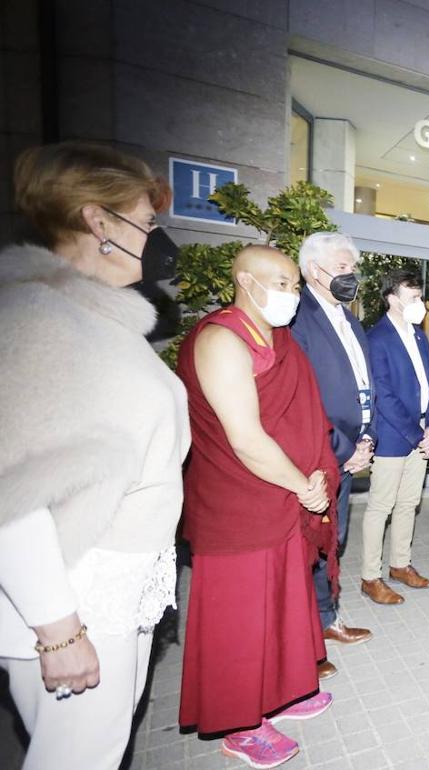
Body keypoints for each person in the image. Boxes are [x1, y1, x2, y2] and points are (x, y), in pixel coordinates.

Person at [0, 142, 189, 769]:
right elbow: (10, 491)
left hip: (117, 589)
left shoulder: (100, 318)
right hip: (78, 596)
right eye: (148, 220)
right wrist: (59, 630)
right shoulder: (36, 314)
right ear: (98, 221)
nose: (157, 238)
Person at [178, 246, 338, 765]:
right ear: (246, 281)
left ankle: (283, 693)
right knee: (240, 621)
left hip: (285, 493)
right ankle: (239, 723)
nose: (291, 296)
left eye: (295, 286)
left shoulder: (281, 339)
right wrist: (304, 485)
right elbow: (245, 437)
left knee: (284, 602)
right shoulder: (220, 339)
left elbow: (303, 417)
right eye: (282, 284)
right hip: (238, 501)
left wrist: (313, 472)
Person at [289, 232, 373, 672]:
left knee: (332, 542)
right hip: (317, 454)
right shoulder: (298, 319)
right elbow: (303, 399)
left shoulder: (349, 319)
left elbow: (365, 385)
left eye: (351, 267)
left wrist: (367, 440)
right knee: (307, 547)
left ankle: (326, 619)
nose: (350, 276)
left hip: (350, 449)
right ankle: (302, 637)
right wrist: (341, 450)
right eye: (341, 268)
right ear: (312, 271)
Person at [359, 270, 429, 605]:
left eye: (420, 297)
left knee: (409, 503)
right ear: (392, 299)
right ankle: (370, 576)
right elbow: (384, 395)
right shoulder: (377, 338)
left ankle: (400, 565)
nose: (419, 304)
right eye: (413, 298)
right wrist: (417, 433)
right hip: (395, 436)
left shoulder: (420, 336)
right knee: (381, 506)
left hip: (422, 433)